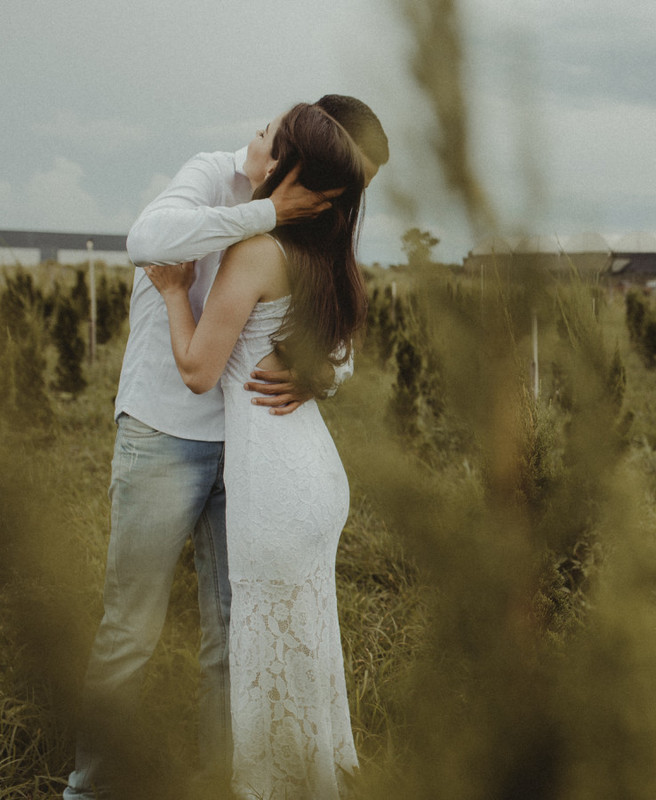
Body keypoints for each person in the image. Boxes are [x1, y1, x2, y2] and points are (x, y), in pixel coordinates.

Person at [63, 95, 387, 800]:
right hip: (164, 437)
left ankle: (222, 780)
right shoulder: (217, 180)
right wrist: (271, 211)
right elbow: (148, 239)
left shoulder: (302, 236)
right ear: (305, 160)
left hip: (250, 456)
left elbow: (338, 339)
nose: (253, 136)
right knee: (130, 629)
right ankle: (87, 788)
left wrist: (322, 371)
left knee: (230, 635)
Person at [145, 101, 367, 798]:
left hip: (272, 476)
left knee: (268, 649)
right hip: (316, 470)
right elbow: (335, 355)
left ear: (289, 170)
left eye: (273, 137)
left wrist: (176, 292)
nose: (257, 141)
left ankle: (272, 786)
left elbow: (198, 369)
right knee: (306, 642)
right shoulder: (325, 256)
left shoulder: (257, 249)